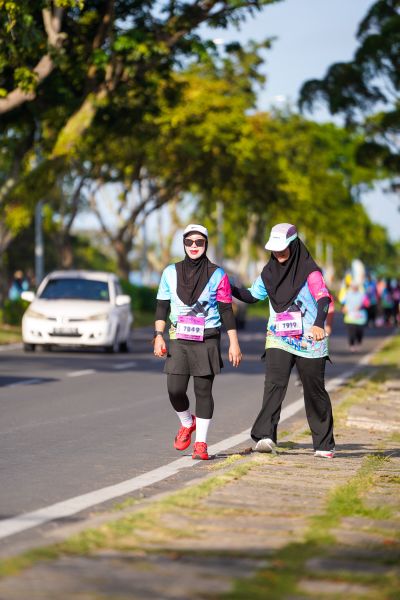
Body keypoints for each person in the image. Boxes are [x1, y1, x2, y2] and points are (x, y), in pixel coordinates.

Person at [232, 223, 335, 458]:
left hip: (310, 339)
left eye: (283, 248)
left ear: (294, 245)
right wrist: (229, 287)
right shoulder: (268, 273)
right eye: (275, 249)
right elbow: (251, 295)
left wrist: (319, 324)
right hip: (279, 337)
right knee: (274, 384)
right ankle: (265, 435)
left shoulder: (310, 272)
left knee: (314, 390)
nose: (278, 253)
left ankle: (324, 444)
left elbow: (323, 299)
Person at [154, 224, 242, 460]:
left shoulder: (217, 274)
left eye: (199, 242)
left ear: (206, 244)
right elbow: (162, 306)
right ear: (184, 244)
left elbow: (226, 310)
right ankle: (187, 422)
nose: (194, 246)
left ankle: (201, 444)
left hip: (207, 337)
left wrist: (234, 342)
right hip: (179, 337)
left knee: (203, 391)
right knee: (175, 389)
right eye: (189, 242)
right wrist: (158, 335)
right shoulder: (170, 272)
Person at [341, 281, 369, 352]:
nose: (354, 288)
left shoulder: (362, 295)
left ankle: (359, 342)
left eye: (355, 286)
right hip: (350, 317)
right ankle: (352, 345)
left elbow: (367, 304)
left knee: (359, 332)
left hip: (360, 318)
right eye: (353, 286)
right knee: (351, 332)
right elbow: (342, 302)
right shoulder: (347, 294)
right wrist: (343, 308)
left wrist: (361, 306)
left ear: (357, 287)